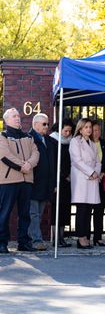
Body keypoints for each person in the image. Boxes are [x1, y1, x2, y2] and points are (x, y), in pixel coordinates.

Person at [0, 108, 40, 253]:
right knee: (4, 213)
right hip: (8, 181)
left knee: (25, 214)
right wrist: (23, 166)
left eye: (18, 116)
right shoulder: (2, 136)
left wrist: (29, 164)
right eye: (14, 116)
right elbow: (5, 155)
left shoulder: (28, 137)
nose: (18, 118)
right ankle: (2, 243)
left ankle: (24, 243)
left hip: (26, 181)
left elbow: (36, 153)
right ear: (7, 120)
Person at [69, 118, 101, 249]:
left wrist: (96, 172)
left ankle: (86, 236)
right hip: (82, 179)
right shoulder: (75, 141)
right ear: (80, 129)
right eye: (86, 127)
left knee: (89, 210)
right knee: (82, 210)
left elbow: (98, 161)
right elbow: (77, 161)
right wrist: (91, 172)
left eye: (90, 127)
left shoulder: (93, 143)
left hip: (92, 179)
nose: (89, 129)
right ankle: (80, 237)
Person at [28, 113, 56, 251]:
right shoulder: (28, 139)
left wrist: (54, 184)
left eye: (48, 124)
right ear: (35, 124)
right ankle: (36, 240)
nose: (47, 126)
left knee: (38, 214)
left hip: (46, 184)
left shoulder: (49, 140)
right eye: (44, 124)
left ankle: (31, 237)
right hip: (33, 183)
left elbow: (53, 164)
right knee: (33, 214)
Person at [49, 118, 74, 248]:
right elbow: (53, 163)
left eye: (69, 131)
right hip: (57, 180)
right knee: (56, 209)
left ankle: (62, 237)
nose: (67, 133)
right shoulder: (53, 140)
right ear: (59, 129)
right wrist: (55, 182)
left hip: (67, 181)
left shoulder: (70, 142)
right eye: (65, 131)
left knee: (65, 209)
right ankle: (55, 238)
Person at [91, 121, 105, 246]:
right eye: (94, 130)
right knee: (87, 210)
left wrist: (102, 173)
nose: (96, 132)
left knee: (99, 210)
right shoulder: (85, 143)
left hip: (101, 180)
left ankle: (98, 237)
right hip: (88, 180)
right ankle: (84, 236)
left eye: (99, 130)